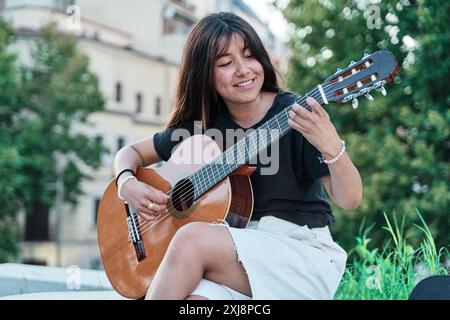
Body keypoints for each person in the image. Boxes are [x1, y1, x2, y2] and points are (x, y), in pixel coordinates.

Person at [113, 12, 362, 300]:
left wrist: (332, 147)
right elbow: (129, 153)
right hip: (234, 260)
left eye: (249, 56)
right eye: (226, 63)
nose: (243, 70)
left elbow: (350, 199)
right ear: (205, 74)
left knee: (192, 239)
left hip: (301, 257)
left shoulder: (297, 115)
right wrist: (126, 184)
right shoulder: (200, 128)